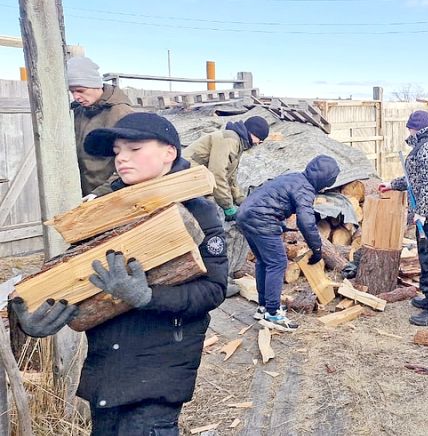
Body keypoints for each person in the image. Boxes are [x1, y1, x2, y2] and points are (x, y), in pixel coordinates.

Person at [10, 113, 228, 436]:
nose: (121, 158)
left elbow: (213, 290)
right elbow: (70, 274)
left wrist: (147, 297)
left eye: (134, 148)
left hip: (158, 373)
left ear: (170, 152)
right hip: (106, 373)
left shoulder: (199, 211)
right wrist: (32, 317)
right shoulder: (101, 208)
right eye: (117, 151)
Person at [236, 155, 340, 331]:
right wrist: (317, 249)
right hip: (261, 220)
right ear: (323, 180)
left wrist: (281, 225)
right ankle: (273, 313)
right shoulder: (305, 189)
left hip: (244, 215)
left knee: (264, 261)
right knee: (277, 263)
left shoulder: (294, 177)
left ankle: (264, 307)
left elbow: (272, 199)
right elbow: (305, 222)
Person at [379, 110, 428, 326]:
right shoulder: (426, 144)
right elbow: (416, 178)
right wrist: (393, 184)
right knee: (426, 256)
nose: (408, 131)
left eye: (409, 128)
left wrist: (421, 212)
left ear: (415, 128)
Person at [68, 56, 134, 198]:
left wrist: (101, 192)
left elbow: (132, 160)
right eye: (72, 91)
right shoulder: (77, 111)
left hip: (112, 195)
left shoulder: (121, 113)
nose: (76, 97)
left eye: (80, 90)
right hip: (82, 194)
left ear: (96, 84)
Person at [184, 116, 270, 221]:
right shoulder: (230, 140)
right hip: (185, 171)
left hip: (198, 173)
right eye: (260, 141)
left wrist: (240, 200)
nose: (258, 144)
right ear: (253, 133)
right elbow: (217, 174)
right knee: (209, 208)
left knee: (212, 201)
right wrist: (228, 207)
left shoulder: (238, 143)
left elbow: (230, 177)